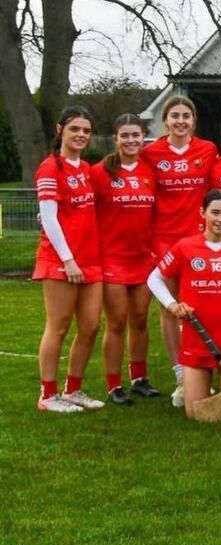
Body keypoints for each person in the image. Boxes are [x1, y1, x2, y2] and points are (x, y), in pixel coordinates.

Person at [140, 96, 219, 407]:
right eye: (175, 115)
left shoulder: (207, 150)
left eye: (186, 115)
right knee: (171, 308)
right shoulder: (150, 153)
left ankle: (203, 369)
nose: (181, 121)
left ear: (193, 120)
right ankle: (180, 375)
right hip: (164, 240)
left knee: (203, 303)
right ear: (165, 119)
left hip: (200, 240)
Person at [147, 189, 221, 420]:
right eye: (215, 212)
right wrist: (173, 305)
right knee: (197, 414)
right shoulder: (186, 246)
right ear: (202, 212)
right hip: (198, 339)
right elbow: (154, 278)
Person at [33, 106, 105, 412]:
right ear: (60, 129)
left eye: (86, 131)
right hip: (61, 261)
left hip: (91, 260)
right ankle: (48, 396)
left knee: (90, 327)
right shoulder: (50, 169)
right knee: (58, 326)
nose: (81, 135)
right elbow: (49, 219)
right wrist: (68, 259)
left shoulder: (86, 169)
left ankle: (73, 389)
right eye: (75, 129)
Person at [90, 113, 159, 405]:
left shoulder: (149, 171)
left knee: (140, 319)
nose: (131, 140)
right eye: (125, 135)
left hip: (142, 258)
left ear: (143, 137)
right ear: (116, 138)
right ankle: (113, 384)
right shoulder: (100, 171)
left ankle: (139, 378)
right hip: (112, 259)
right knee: (117, 321)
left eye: (136, 135)